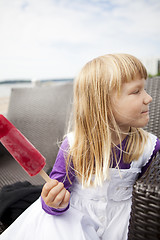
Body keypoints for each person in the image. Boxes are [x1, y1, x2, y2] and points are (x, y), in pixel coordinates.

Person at [1, 53, 160, 240]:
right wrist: (53, 202)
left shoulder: (150, 146)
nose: (148, 98)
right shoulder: (74, 146)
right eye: (136, 91)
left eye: (145, 89)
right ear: (103, 103)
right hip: (75, 217)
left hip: (123, 223)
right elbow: (56, 197)